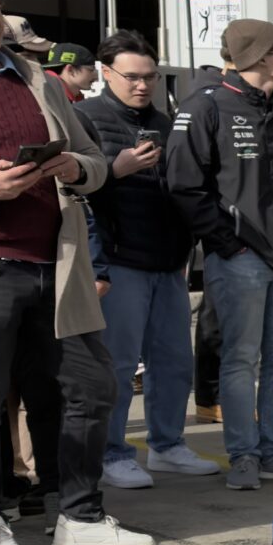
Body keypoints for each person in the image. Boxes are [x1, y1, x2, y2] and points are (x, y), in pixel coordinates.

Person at [0, 0, 155, 545]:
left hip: (57, 264)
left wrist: (76, 168)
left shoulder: (37, 81)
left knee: (89, 387)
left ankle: (79, 516)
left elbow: (95, 160)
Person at [166, 19, 273, 491]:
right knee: (239, 359)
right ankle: (243, 456)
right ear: (259, 57)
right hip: (240, 259)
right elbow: (184, 185)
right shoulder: (206, 107)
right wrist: (228, 243)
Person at [77, 30, 220, 490]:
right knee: (118, 366)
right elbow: (72, 191)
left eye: (150, 77)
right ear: (105, 73)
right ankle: (111, 452)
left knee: (174, 362)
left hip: (168, 261)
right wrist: (114, 170)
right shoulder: (85, 118)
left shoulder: (166, 121)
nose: (142, 85)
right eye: (132, 77)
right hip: (119, 262)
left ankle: (167, 444)